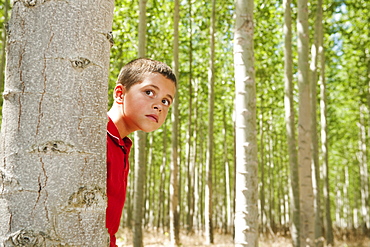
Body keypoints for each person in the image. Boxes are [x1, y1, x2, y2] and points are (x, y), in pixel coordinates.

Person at [106, 58, 177, 247]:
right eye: (149, 92)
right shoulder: (96, 139)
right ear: (120, 94)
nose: (159, 105)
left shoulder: (121, 145)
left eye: (165, 101)